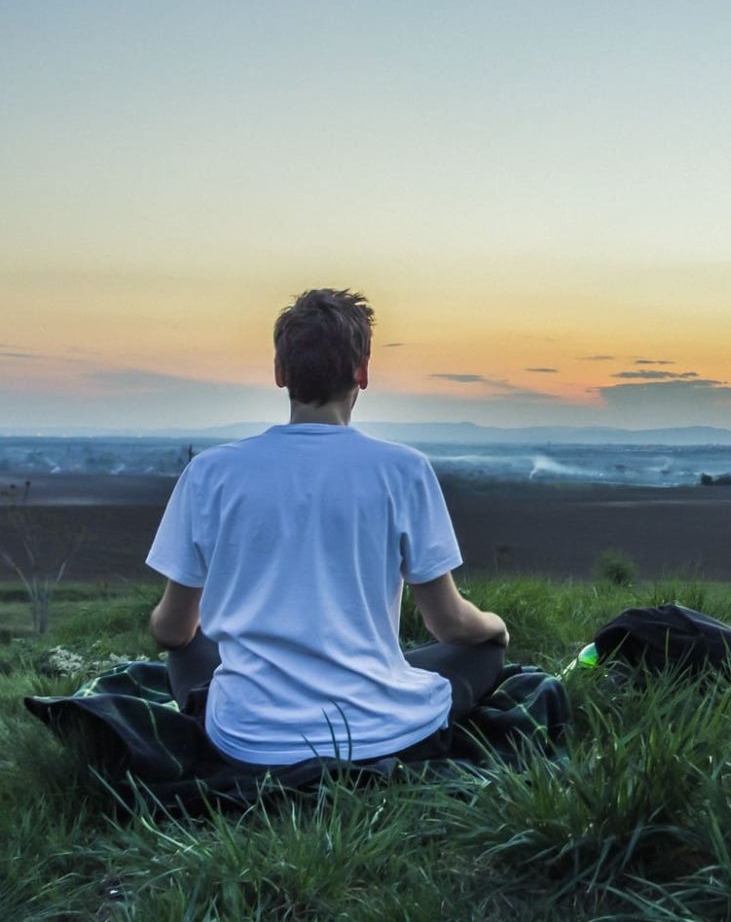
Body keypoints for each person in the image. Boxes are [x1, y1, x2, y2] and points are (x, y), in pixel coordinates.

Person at [146, 288, 509, 769]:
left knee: (188, 646)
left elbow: (171, 631)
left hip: (247, 739)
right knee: (481, 653)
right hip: (380, 732)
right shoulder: (404, 470)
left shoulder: (210, 473)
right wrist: (496, 628)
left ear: (280, 373)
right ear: (362, 372)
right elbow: (449, 624)